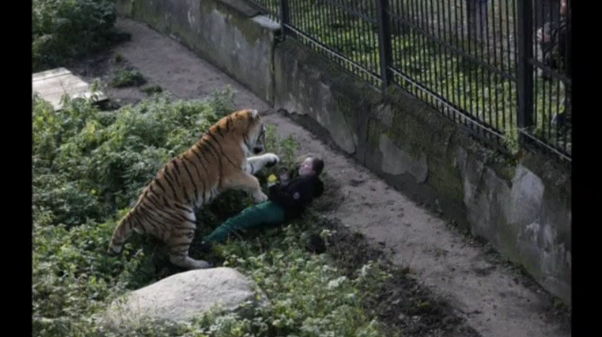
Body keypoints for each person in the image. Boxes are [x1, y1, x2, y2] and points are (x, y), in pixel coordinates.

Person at [199, 156, 325, 251]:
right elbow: (292, 196)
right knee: (246, 220)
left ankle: (207, 242)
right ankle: (216, 241)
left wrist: (272, 185)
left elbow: (287, 201)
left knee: (239, 219)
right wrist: (285, 183)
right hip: (281, 210)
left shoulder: (304, 183)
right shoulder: (309, 182)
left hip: (278, 210)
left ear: (314, 171)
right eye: (304, 162)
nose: (303, 165)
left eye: (308, 165)